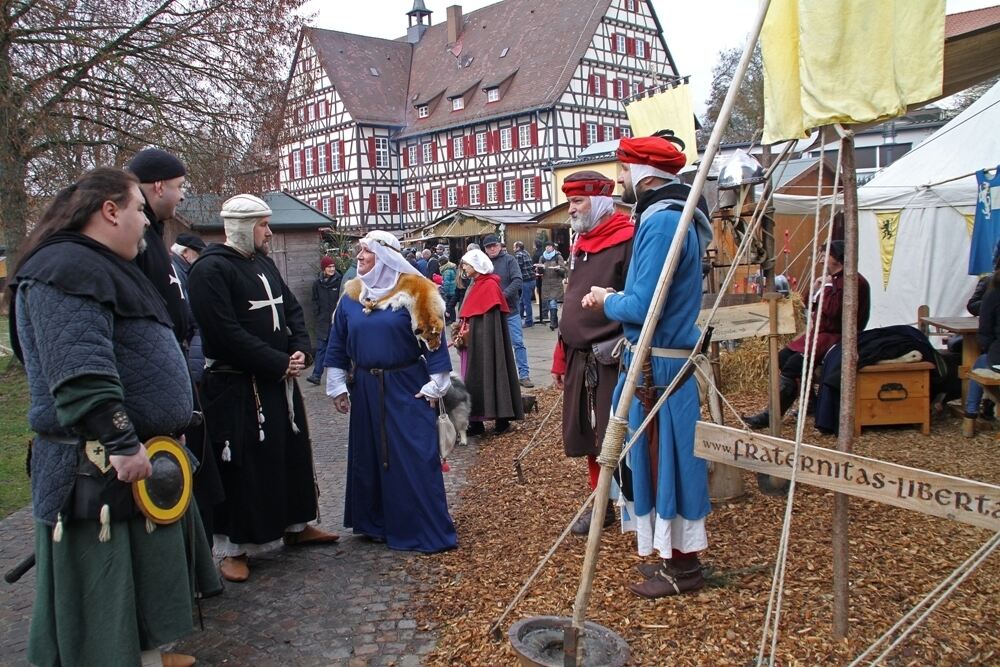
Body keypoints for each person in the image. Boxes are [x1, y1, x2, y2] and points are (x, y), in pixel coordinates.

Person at [8, 167, 220, 667]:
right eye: (138, 212)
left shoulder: (97, 265)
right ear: (109, 211)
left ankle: (146, 656)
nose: (146, 225)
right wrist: (122, 442)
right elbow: (80, 371)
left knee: (140, 590)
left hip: (134, 459)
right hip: (98, 466)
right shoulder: (65, 269)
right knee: (104, 609)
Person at [583, 134, 714, 598]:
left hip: (658, 370)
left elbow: (644, 305)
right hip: (655, 365)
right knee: (656, 462)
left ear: (643, 172)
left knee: (668, 463)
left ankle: (684, 570)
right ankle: (670, 558)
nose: (619, 179)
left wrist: (606, 299)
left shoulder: (662, 222)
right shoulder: (668, 215)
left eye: (622, 170)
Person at [187, 194, 338, 584]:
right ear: (242, 226)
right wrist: (275, 361)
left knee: (289, 454)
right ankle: (233, 548)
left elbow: (290, 310)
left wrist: (301, 350)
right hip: (237, 386)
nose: (269, 232)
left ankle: (295, 524)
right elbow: (223, 332)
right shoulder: (210, 271)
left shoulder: (264, 264)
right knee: (242, 465)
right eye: (263, 225)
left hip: (277, 382)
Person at [324, 231, 456, 552]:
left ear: (384, 256)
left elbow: (433, 339)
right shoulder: (353, 294)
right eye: (359, 252)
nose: (359, 257)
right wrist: (338, 383)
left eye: (366, 252)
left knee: (413, 456)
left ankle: (419, 527)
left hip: (406, 386)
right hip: (366, 387)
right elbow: (338, 340)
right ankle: (375, 522)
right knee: (369, 455)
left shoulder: (417, 291)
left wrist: (437, 382)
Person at [552, 171, 634, 535]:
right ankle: (599, 501)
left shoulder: (626, 239)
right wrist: (559, 356)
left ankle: (629, 505)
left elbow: (635, 302)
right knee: (587, 433)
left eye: (577, 202)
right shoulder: (582, 242)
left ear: (599, 201)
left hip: (611, 355)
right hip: (578, 356)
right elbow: (572, 302)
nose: (571, 210)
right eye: (570, 202)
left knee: (616, 433)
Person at [744, 240, 871, 428]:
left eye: (825, 256)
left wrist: (826, 287)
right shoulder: (833, 279)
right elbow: (808, 304)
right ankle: (811, 402)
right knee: (782, 356)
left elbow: (833, 311)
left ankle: (771, 416)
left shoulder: (854, 281)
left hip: (837, 337)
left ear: (837, 258)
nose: (821, 261)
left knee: (794, 365)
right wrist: (817, 286)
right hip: (821, 334)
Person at [456, 249, 525, 436]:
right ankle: (475, 422)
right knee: (472, 379)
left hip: (486, 345)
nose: (463, 267)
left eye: (467, 264)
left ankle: (500, 420)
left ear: (477, 267)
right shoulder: (476, 284)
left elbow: (490, 323)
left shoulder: (490, 286)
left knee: (492, 374)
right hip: (473, 344)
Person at [126, 148, 191, 347]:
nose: (182, 196)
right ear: (159, 186)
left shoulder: (153, 233)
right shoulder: (135, 238)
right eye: (179, 186)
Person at [482, 234, 533, 388]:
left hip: (510, 310)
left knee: (517, 342)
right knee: (493, 345)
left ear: (500, 245)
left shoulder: (509, 260)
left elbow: (517, 280)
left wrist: (501, 297)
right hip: (491, 311)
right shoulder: (483, 264)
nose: (492, 248)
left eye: (494, 245)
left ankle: (524, 375)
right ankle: (500, 379)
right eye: (488, 246)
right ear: (485, 249)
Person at [169, 232, 207, 382]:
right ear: (185, 252)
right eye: (198, 252)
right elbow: (190, 312)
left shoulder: (174, 268)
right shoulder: (178, 272)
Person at [306, 255, 342, 386]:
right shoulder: (317, 284)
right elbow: (314, 300)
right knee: (321, 349)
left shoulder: (340, 281)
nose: (332, 269)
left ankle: (346, 375)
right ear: (323, 269)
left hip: (336, 321)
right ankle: (316, 375)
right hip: (322, 322)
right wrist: (317, 314)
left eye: (333, 266)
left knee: (340, 348)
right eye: (329, 267)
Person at [537, 241, 567, 330]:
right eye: (546, 246)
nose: (547, 248)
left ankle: (553, 322)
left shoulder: (558, 257)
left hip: (555, 284)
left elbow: (564, 270)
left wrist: (558, 269)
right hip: (546, 283)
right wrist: (540, 268)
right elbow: (539, 272)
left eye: (549, 246)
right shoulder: (542, 257)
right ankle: (555, 321)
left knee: (553, 302)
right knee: (549, 302)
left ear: (553, 247)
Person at [513, 241, 536, 327]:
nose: (513, 248)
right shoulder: (526, 253)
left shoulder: (518, 255)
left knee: (526, 302)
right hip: (532, 280)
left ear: (518, 247)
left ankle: (529, 321)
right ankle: (519, 318)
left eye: (514, 247)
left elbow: (517, 268)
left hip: (526, 281)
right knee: (522, 301)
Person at [439, 251, 459, 323]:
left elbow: (447, 282)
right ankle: (452, 319)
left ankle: (450, 319)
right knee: (451, 305)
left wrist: (445, 291)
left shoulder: (447, 271)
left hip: (450, 290)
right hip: (453, 288)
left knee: (449, 305)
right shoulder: (450, 268)